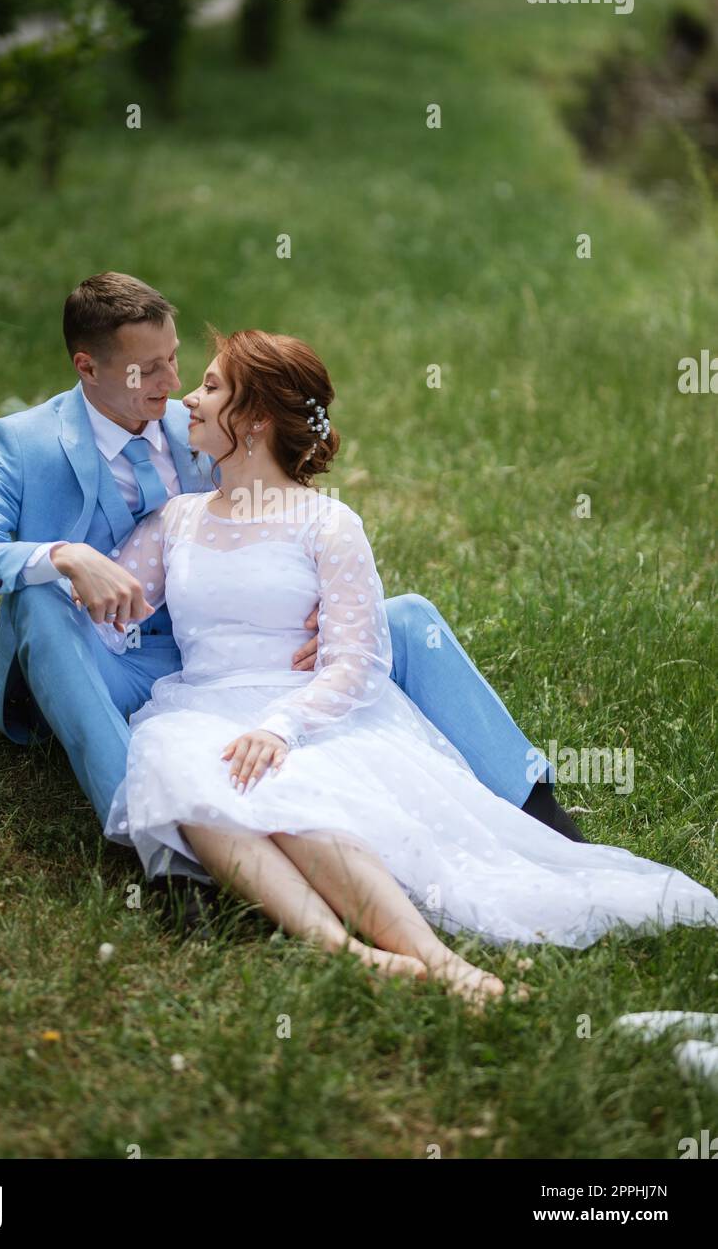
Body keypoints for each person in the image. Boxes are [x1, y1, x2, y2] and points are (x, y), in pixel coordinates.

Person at [86, 328, 718, 1009]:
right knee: (191, 783)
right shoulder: (176, 521)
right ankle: (349, 953)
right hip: (202, 706)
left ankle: (437, 961)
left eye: (210, 387)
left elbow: (357, 660)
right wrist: (67, 569)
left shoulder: (326, 524)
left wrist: (282, 726)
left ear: (257, 417)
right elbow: (111, 614)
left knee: (301, 808)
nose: (190, 398)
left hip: (306, 709)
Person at [0, 271, 578, 841]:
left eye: (175, 361)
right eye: (147, 370)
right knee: (37, 600)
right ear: (86, 367)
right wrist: (62, 556)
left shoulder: (202, 420)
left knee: (403, 618)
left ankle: (537, 805)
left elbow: (274, 520)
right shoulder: (22, 443)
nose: (173, 385)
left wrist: (325, 602)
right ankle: (148, 832)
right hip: (100, 657)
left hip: (216, 648)